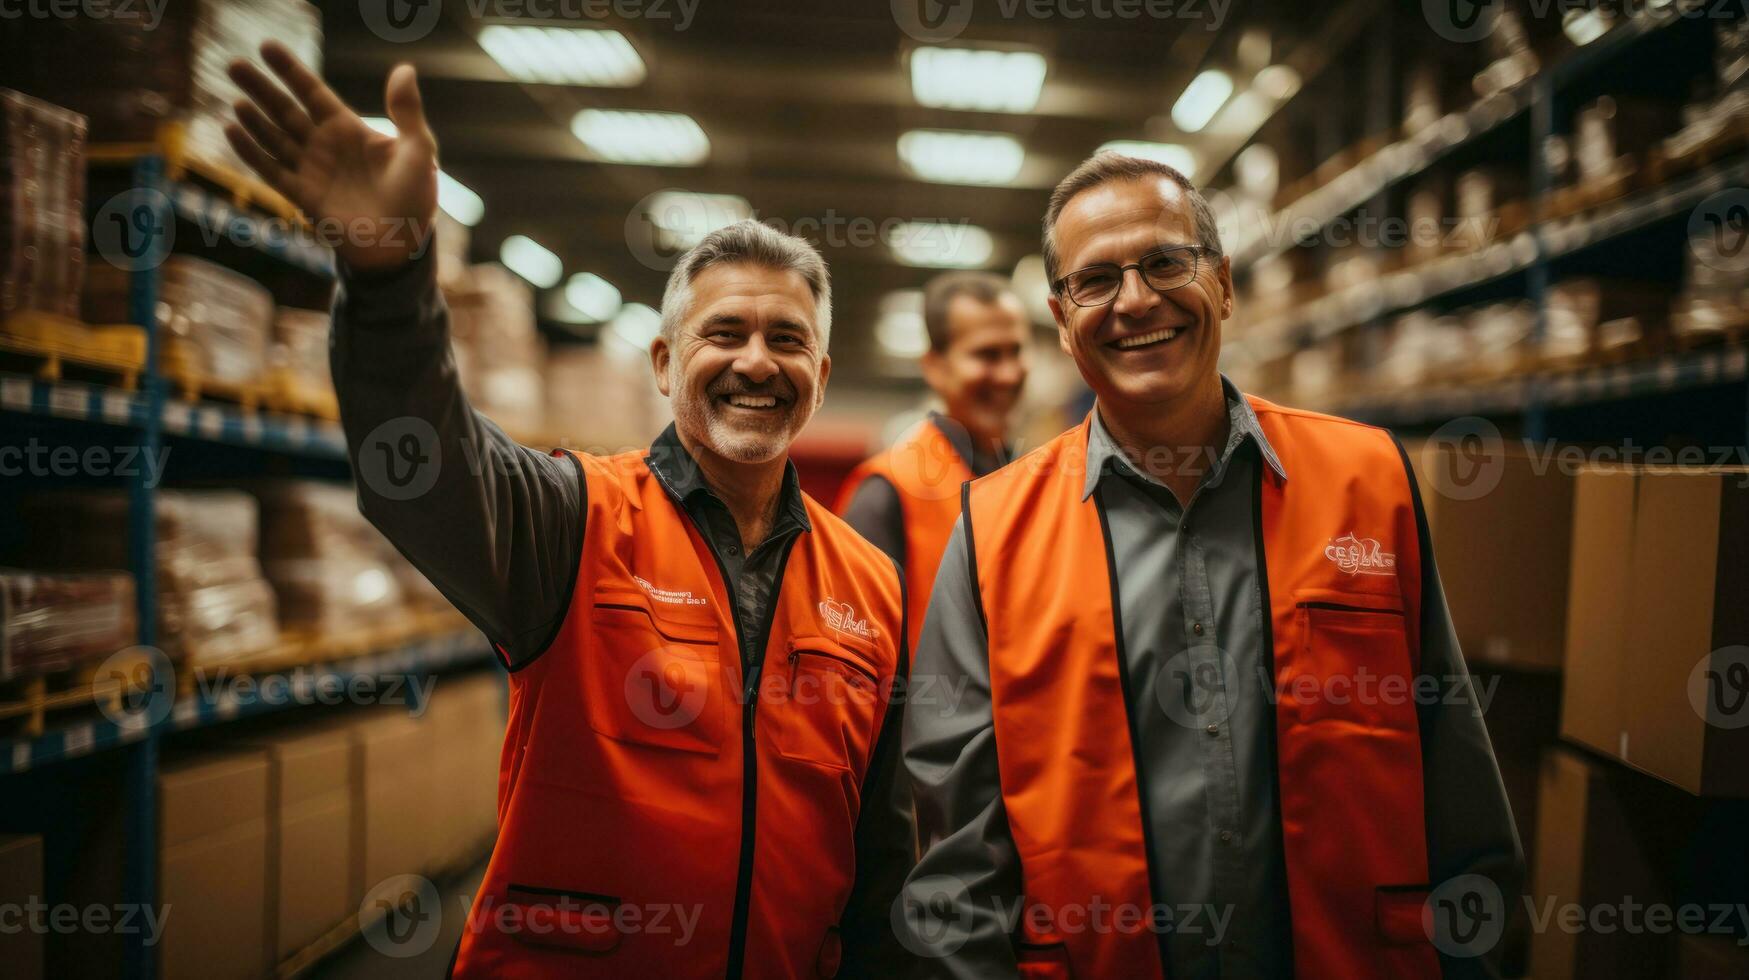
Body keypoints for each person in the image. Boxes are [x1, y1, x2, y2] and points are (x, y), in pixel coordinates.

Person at [223, 43, 913, 978]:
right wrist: (390, 285)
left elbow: (878, 858)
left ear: (820, 380)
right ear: (666, 365)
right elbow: (418, 471)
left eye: (786, 339)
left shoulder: (868, 584)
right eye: (723, 333)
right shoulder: (573, 517)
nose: (757, 361)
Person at [899, 153, 1524, 979]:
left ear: (1223, 284)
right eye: (1095, 281)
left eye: (1164, 263)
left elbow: (1454, 771)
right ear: (1060, 319)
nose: (1135, 301)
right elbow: (957, 869)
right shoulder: (991, 532)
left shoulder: (1367, 481)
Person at [835, 272, 1029, 648]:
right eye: (987, 354)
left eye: (1016, 351)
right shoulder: (887, 492)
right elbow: (851, 657)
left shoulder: (1031, 480)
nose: (1008, 373)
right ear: (935, 367)